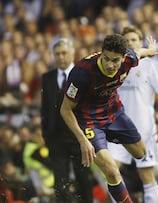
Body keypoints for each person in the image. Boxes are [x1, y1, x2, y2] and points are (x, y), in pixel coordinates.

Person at [59, 34, 157, 203]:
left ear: (123, 58)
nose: (110, 65)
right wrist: (82, 140)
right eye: (106, 59)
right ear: (101, 53)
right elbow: (65, 109)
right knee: (111, 171)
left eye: (115, 61)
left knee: (140, 153)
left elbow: (139, 52)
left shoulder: (129, 59)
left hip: (114, 113)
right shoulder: (82, 72)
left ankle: (109, 140)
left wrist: (150, 50)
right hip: (89, 122)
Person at [107, 25, 158, 203]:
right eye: (126, 41)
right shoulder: (114, 67)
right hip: (117, 128)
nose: (130, 44)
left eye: (134, 40)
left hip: (144, 130)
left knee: (146, 174)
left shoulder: (152, 66)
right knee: (111, 171)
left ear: (141, 42)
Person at [41, 38, 94, 203]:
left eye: (64, 53)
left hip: (79, 137)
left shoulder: (82, 75)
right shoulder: (47, 78)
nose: (61, 57)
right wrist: (46, 135)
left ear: (72, 53)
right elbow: (45, 109)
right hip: (56, 138)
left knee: (84, 179)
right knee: (60, 182)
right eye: (57, 54)